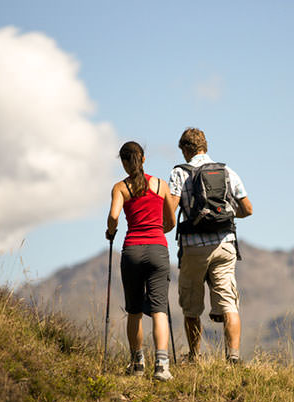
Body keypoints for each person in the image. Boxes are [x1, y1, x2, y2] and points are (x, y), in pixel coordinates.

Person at [168, 128, 253, 364]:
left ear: (185, 149)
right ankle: (233, 357)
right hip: (224, 244)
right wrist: (223, 215)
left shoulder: (178, 173)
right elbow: (248, 209)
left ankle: (195, 357)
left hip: (193, 246)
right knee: (228, 302)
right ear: (205, 146)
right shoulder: (227, 171)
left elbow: (171, 212)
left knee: (191, 306)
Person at [106, 141, 176, 381]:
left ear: (125, 163)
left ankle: (137, 364)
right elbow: (171, 222)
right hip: (158, 248)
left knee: (134, 310)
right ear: (143, 159)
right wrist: (158, 230)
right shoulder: (160, 185)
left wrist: (110, 230)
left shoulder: (120, 188)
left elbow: (114, 216)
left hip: (132, 250)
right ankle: (162, 366)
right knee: (159, 309)